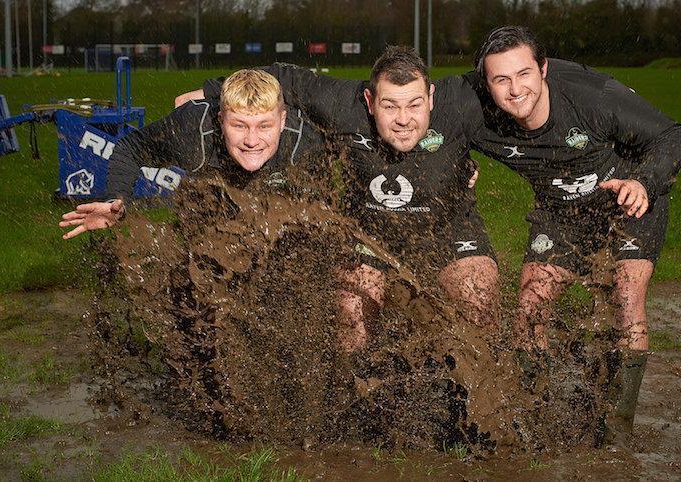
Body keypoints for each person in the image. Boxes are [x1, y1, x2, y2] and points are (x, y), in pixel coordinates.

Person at [192, 47, 500, 352]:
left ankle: (478, 391)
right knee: (351, 317)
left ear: (431, 97)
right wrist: (211, 92)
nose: (403, 119)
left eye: (415, 105)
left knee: (478, 298)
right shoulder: (342, 104)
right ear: (369, 100)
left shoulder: (460, 101)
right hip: (369, 234)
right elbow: (285, 76)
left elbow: (516, 83)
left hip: (449, 231)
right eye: (390, 106)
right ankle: (359, 389)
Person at [468, 26, 681, 440]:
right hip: (560, 211)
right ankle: (529, 418)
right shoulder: (472, 102)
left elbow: (670, 135)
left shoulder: (594, 97)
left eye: (524, 74)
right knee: (531, 304)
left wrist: (643, 182)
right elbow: (417, 111)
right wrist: (457, 162)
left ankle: (617, 430)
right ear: (486, 82)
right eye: (501, 79)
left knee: (626, 294)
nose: (515, 90)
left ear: (543, 69)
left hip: (627, 198)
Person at [57, 69, 323, 240]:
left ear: (283, 120)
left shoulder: (304, 143)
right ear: (220, 120)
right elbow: (131, 148)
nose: (252, 141)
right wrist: (116, 200)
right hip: (208, 206)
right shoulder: (191, 130)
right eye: (239, 125)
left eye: (264, 126)